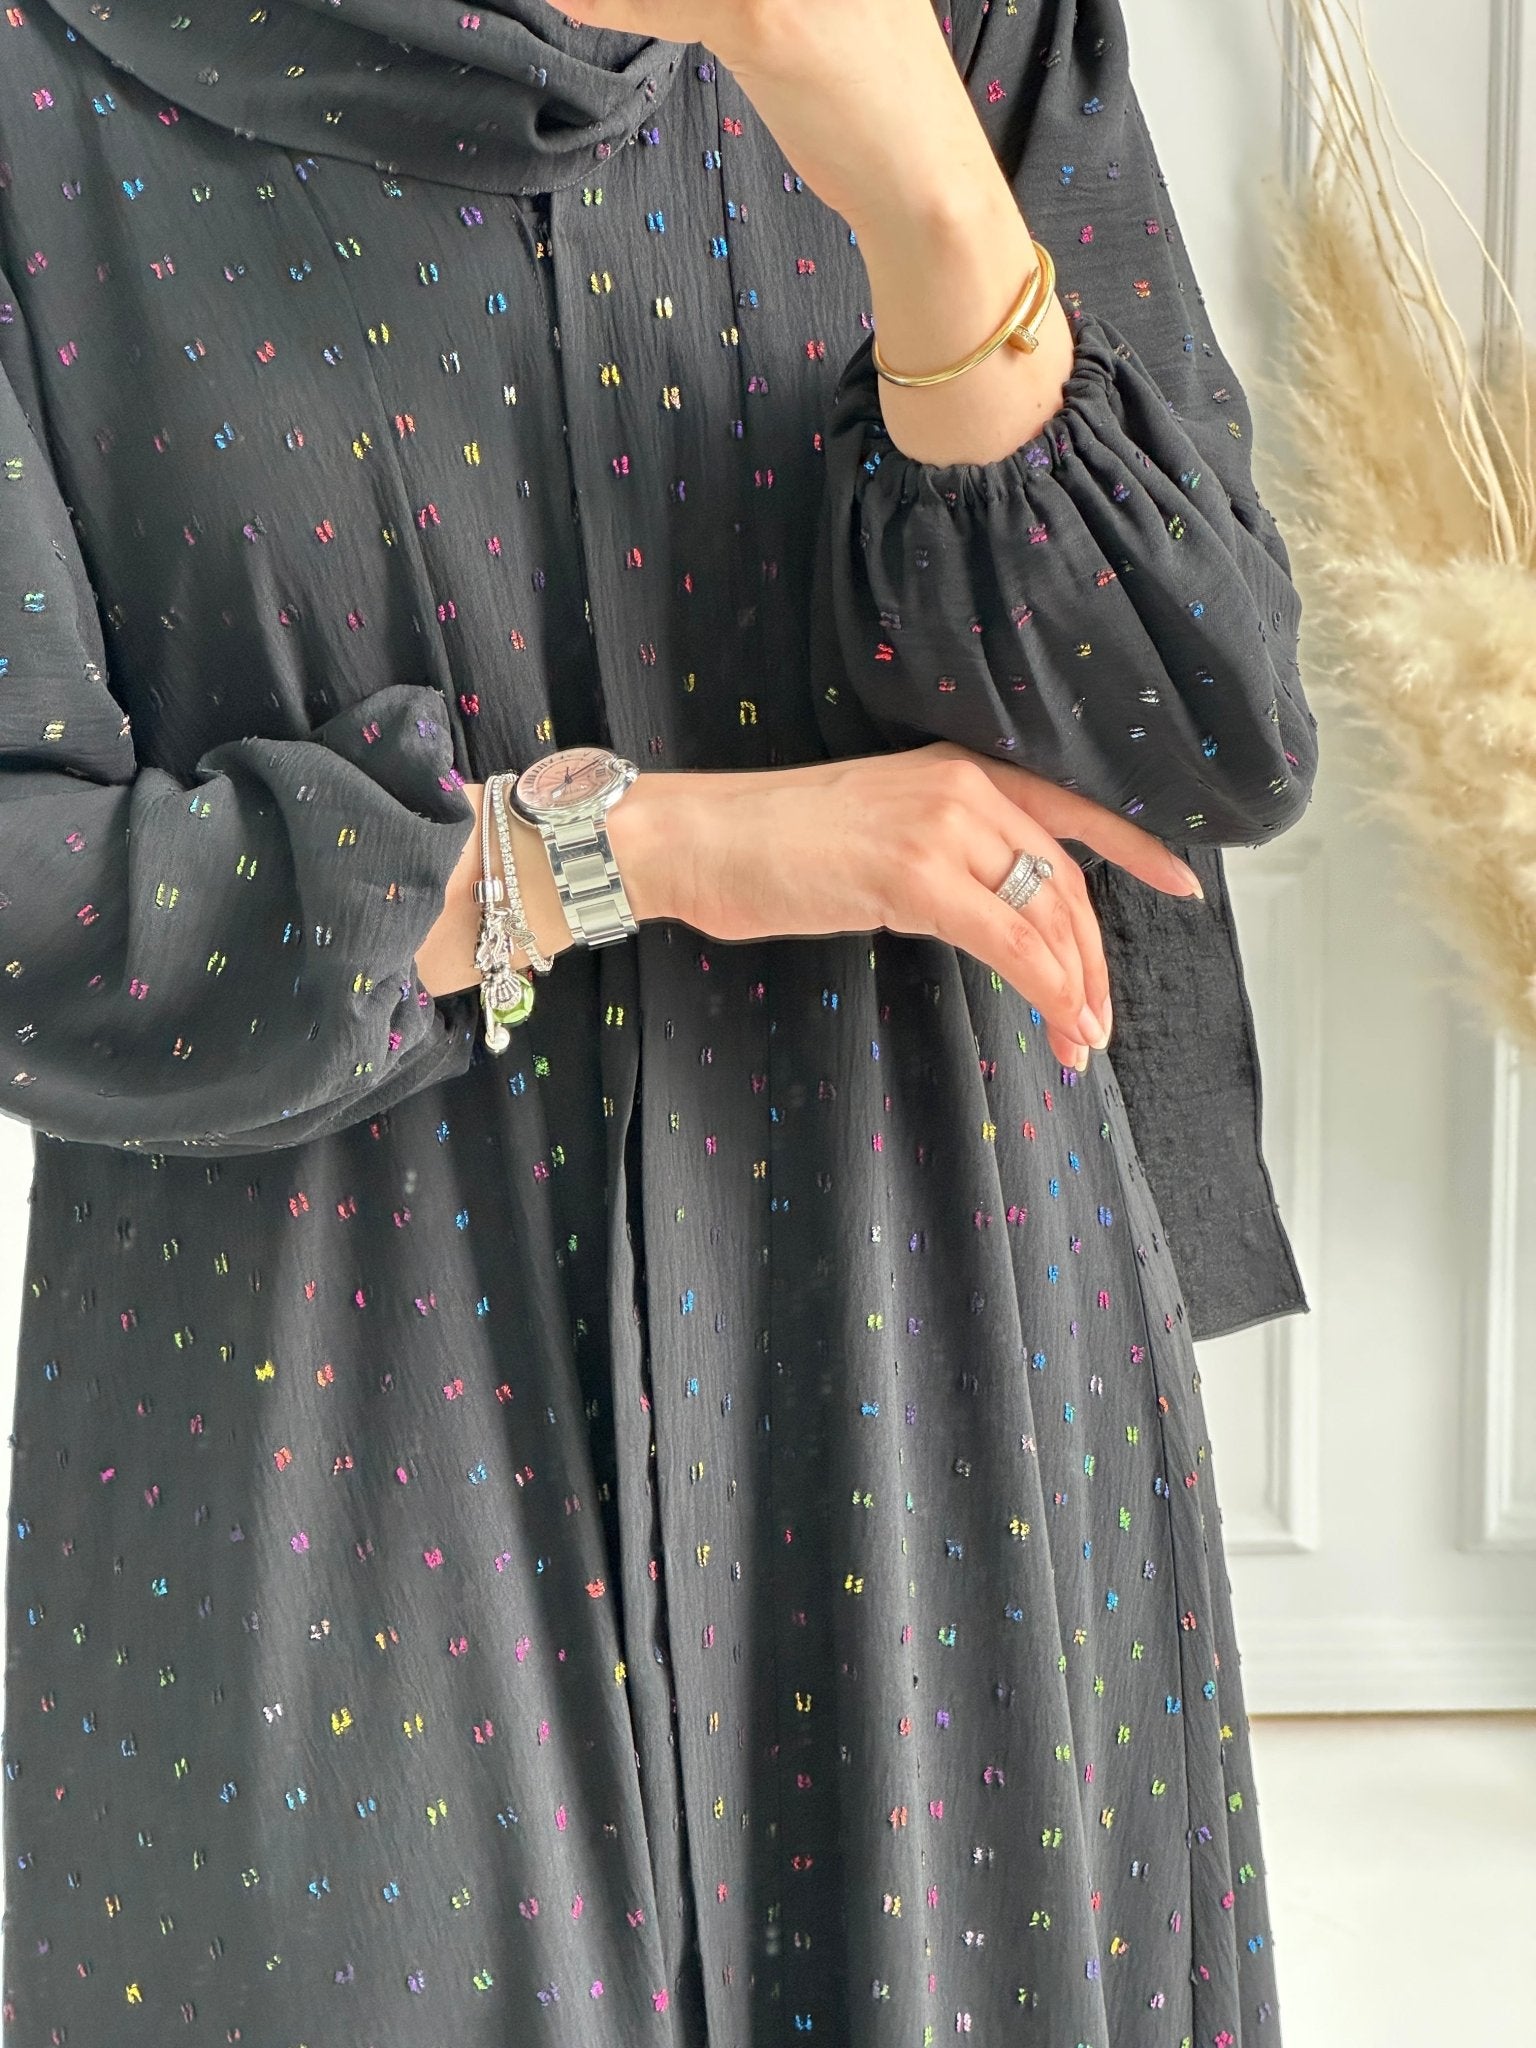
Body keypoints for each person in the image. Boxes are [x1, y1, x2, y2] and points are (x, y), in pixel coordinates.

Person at [0, 0, 1317, 2040]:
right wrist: (637, 851)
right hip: (333, 1447)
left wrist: (919, 188)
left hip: (939, 1394)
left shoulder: (967, 23)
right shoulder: (54, 76)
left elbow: (1201, 724)